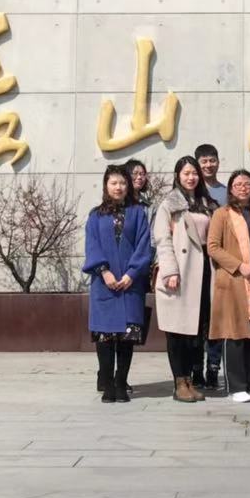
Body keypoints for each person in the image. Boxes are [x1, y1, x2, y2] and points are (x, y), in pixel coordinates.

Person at [82, 165, 152, 404]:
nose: (118, 187)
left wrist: (132, 274)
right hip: (104, 284)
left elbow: (144, 245)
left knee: (126, 338)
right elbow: (92, 245)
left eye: (122, 183)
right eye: (114, 183)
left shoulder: (138, 213)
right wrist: (104, 271)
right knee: (105, 337)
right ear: (106, 185)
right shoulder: (95, 215)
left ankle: (121, 382)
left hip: (130, 284)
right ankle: (108, 384)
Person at [152, 156, 218, 404]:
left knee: (195, 332)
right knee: (177, 331)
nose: (191, 177)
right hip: (180, 272)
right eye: (186, 173)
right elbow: (162, 240)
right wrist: (169, 271)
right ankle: (179, 382)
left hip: (203, 271)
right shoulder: (169, 204)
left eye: (194, 173)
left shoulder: (206, 203)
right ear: (177, 176)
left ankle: (190, 380)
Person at [206, 169, 250, 403]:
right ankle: (236, 386)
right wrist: (239, 266)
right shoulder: (221, 214)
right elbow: (213, 247)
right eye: (238, 184)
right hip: (234, 281)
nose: (243, 188)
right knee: (235, 334)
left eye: (247, 184)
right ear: (231, 189)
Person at [194, 143, 226, 387]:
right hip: (195, 263)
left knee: (216, 317)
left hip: (219, 263)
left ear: (218, 162)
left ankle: (213, 368)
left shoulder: (226, 193)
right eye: (203, 161)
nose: (208, 165)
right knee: (196, 319)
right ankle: (196, 369)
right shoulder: (191, 192)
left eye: (211, 160)